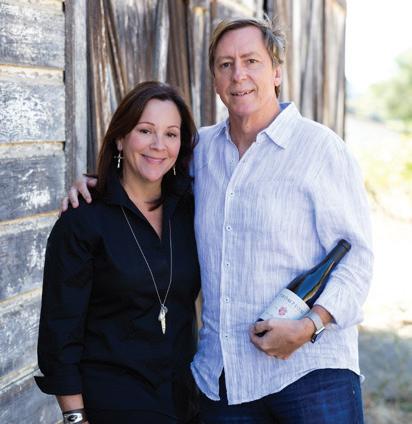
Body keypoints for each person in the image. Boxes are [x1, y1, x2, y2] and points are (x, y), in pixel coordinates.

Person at [64, 17, 373, 424]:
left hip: (311, 373)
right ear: (214, 79)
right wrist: (97, 183)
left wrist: (310, 326)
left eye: (251, 61)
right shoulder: (201, 152)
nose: (238, 74)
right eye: (226, 64)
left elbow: (358, 260)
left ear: (276, 72)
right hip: (224, 381)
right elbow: (147, 167)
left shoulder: (321, 150)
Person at [35, 81, 201, 424]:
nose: (158, 145)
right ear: (120, 138)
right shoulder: (83, 221)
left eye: (171, 134)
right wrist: (75, 418)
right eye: (145, 130)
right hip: (112, 405)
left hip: (185, 402)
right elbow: (60, 331)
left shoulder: (190, 211)